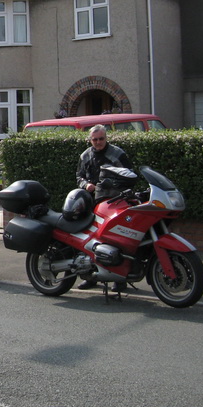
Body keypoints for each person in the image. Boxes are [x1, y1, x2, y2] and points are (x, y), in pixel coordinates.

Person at [75, 124, 134, 291]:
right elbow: (79, 176)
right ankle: (90, 276)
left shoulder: (117, 154)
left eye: (101, 139)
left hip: (115, 203)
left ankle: (119, 279)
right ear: (90, 140)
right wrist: (86, 185)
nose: (98, 142)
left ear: (106, 138)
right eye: (95, 139)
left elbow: (130, 175)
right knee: (89, 239)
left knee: (116, 240)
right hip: (93, 203)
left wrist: (114, 184)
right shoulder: (85, 155)